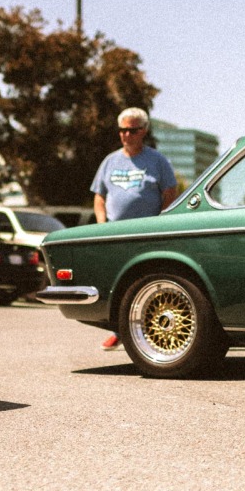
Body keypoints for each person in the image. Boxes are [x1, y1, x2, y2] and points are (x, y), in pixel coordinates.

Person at [90, 107, 177, 350]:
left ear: (144, 131)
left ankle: (153, 332)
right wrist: (101, 224)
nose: (127, 135)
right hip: (115, 233)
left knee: (147, 284)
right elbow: (99, 196)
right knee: (115, 285)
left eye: (132, 130)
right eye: (123, 131)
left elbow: (170, 193)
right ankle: (117, 330)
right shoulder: (110, 161)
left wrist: (160, 222)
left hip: (146, 234)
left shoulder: (157, 161)